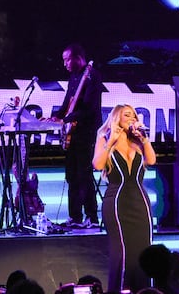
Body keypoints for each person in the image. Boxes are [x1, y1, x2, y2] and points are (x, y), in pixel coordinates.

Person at [92, 104, 156, 293]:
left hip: (140, 202)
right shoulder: (104, 137)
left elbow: (151, 160)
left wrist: (144, 139)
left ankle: (144, 290)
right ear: (116, 118)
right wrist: (111, 141)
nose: (132, 118)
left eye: (133, 115)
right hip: (117, 202)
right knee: (122, 251)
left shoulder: (138, 140)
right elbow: (98, 165)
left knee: (144, 248)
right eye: (127, 115)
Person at [49, 44, 103, 228]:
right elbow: (68, 102)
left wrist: (66, 119)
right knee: (71, 174)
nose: (64, 64)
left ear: (78, 58)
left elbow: (89, 108)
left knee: (84, 174)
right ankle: (75, 216)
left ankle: (92, 217)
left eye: (67, 59)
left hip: (86, 131)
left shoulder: (92, 76)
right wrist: (56, 117)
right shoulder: (73, 77)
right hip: (73, 131)